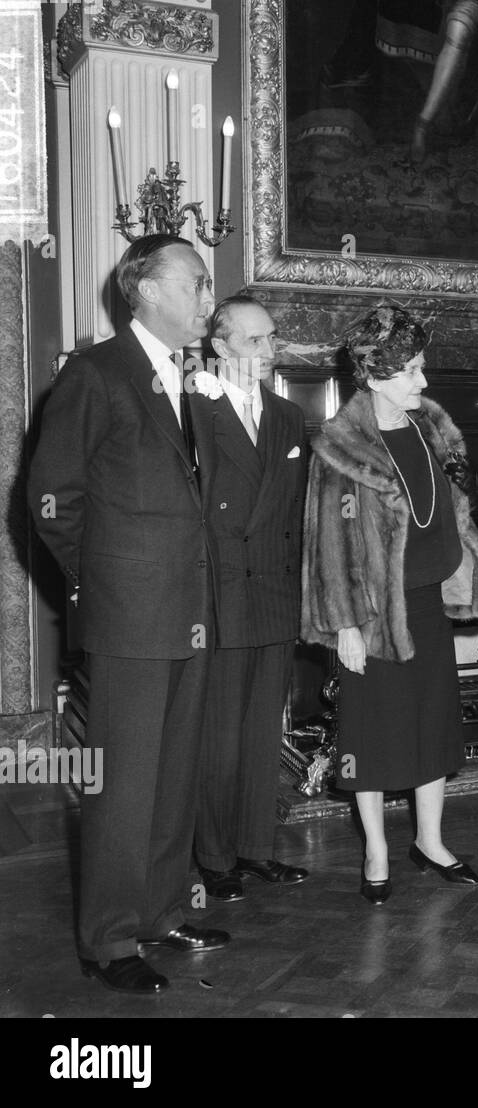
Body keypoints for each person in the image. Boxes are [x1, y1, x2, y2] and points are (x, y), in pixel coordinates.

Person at [27, 233, 224, 994]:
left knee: (173, 775)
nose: (208, 298)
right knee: (123, 785)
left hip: (189, 611)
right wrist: (101, 582)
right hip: (130, 615)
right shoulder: (94, 374)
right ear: (145, 289)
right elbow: (51, 499)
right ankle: (108, 941)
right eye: (197, 284)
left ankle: (162, 910)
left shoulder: (185, 377)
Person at [301, 307, 478, 904]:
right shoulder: (341, 447)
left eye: (420, 368)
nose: (423, 381)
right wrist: (346, 627)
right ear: (375, 374)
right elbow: (327, 546)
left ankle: (431, 841)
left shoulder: (431, 427)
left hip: (428, 602)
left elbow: (454, 510)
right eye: (411, 370)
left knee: (433, 723)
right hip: (372, 611)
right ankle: (377, 850)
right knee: (374, 732)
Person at [193, 296, 310, 902]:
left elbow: (296, 512)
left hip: (274, 589)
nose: (268, 352)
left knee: (265, 727)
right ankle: (214, 857)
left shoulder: (289, 417)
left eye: (270, 339)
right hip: (220, 593)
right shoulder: (191, 408)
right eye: (253, 341)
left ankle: (255, 847)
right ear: (219, 348)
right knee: (219, 734)